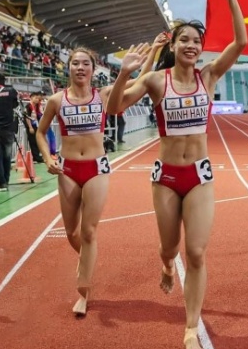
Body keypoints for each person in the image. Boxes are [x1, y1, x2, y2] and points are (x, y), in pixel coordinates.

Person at [108, 0, 246, 349]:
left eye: (196, 41)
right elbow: (114, 108)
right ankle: (167, 265)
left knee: (198, 253)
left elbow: (241, 43)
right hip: (167, 178)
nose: (191, 45)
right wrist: (124, 73)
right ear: (173, 44)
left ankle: (190, 330)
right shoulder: (155, 80)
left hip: (199, 175)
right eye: (184, 39)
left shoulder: (209, 77)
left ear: (201, 50)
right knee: (170, 248)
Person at [35, 39, 163, 318]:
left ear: (93, 69)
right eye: (75, 63)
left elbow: (140, 82)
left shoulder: (104, 95)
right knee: (72, 232)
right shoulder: (56, 100)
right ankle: (88, 260)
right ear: (67, 68)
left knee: (89, 231)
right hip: (67, 170)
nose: (80, 68)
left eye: (85, 64)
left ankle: (84, 291)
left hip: (96, 168)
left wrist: (150, 54)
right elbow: (40, 133)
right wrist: (47, 157)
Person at [23, 91, 45, 163]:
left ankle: (37, 156)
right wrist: (30, 127)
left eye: (38, 99)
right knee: (33, 141)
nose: (37, 100)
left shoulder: (37, 106)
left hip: (36, 125)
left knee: (38, 141)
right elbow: (27, 117)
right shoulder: (28, 106)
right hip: (31, 126)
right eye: (35, 98)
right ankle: (36, 157)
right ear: (31, 98)